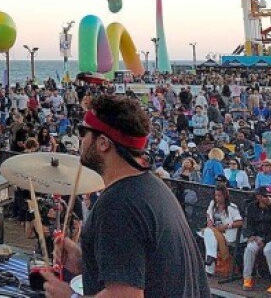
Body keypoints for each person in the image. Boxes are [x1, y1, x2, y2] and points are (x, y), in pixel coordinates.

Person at [43, 93, 210, 298]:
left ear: (103, 142)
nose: (80, 139)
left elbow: (126, 295)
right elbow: (148, 273)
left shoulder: (117, 205)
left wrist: (70, 296)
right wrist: (85, 263)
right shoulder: (153, 188)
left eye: (84, 131)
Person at [243, 185, 271, 293]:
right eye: (265, 196)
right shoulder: (252, 207)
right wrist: (251, 235)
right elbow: (249, 225)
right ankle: (247, 278)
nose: (268, 198)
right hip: (258, 237)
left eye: (269, 196)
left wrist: (265, 240)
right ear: (259, 197)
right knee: (250, 248)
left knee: (268, 250)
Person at [200, 184, 243, 275]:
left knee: (209, 233)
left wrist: (227, 226)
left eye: (219, 196)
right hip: (214, 232)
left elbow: (240, 222)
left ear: (225, 196)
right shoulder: (212, 204)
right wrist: (209, 221)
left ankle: (209, 268)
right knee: (209, 232)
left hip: (226, 234)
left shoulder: (231, 207)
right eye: (216, 195)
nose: (217, 198)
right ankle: (211, 257)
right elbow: (208, 214)